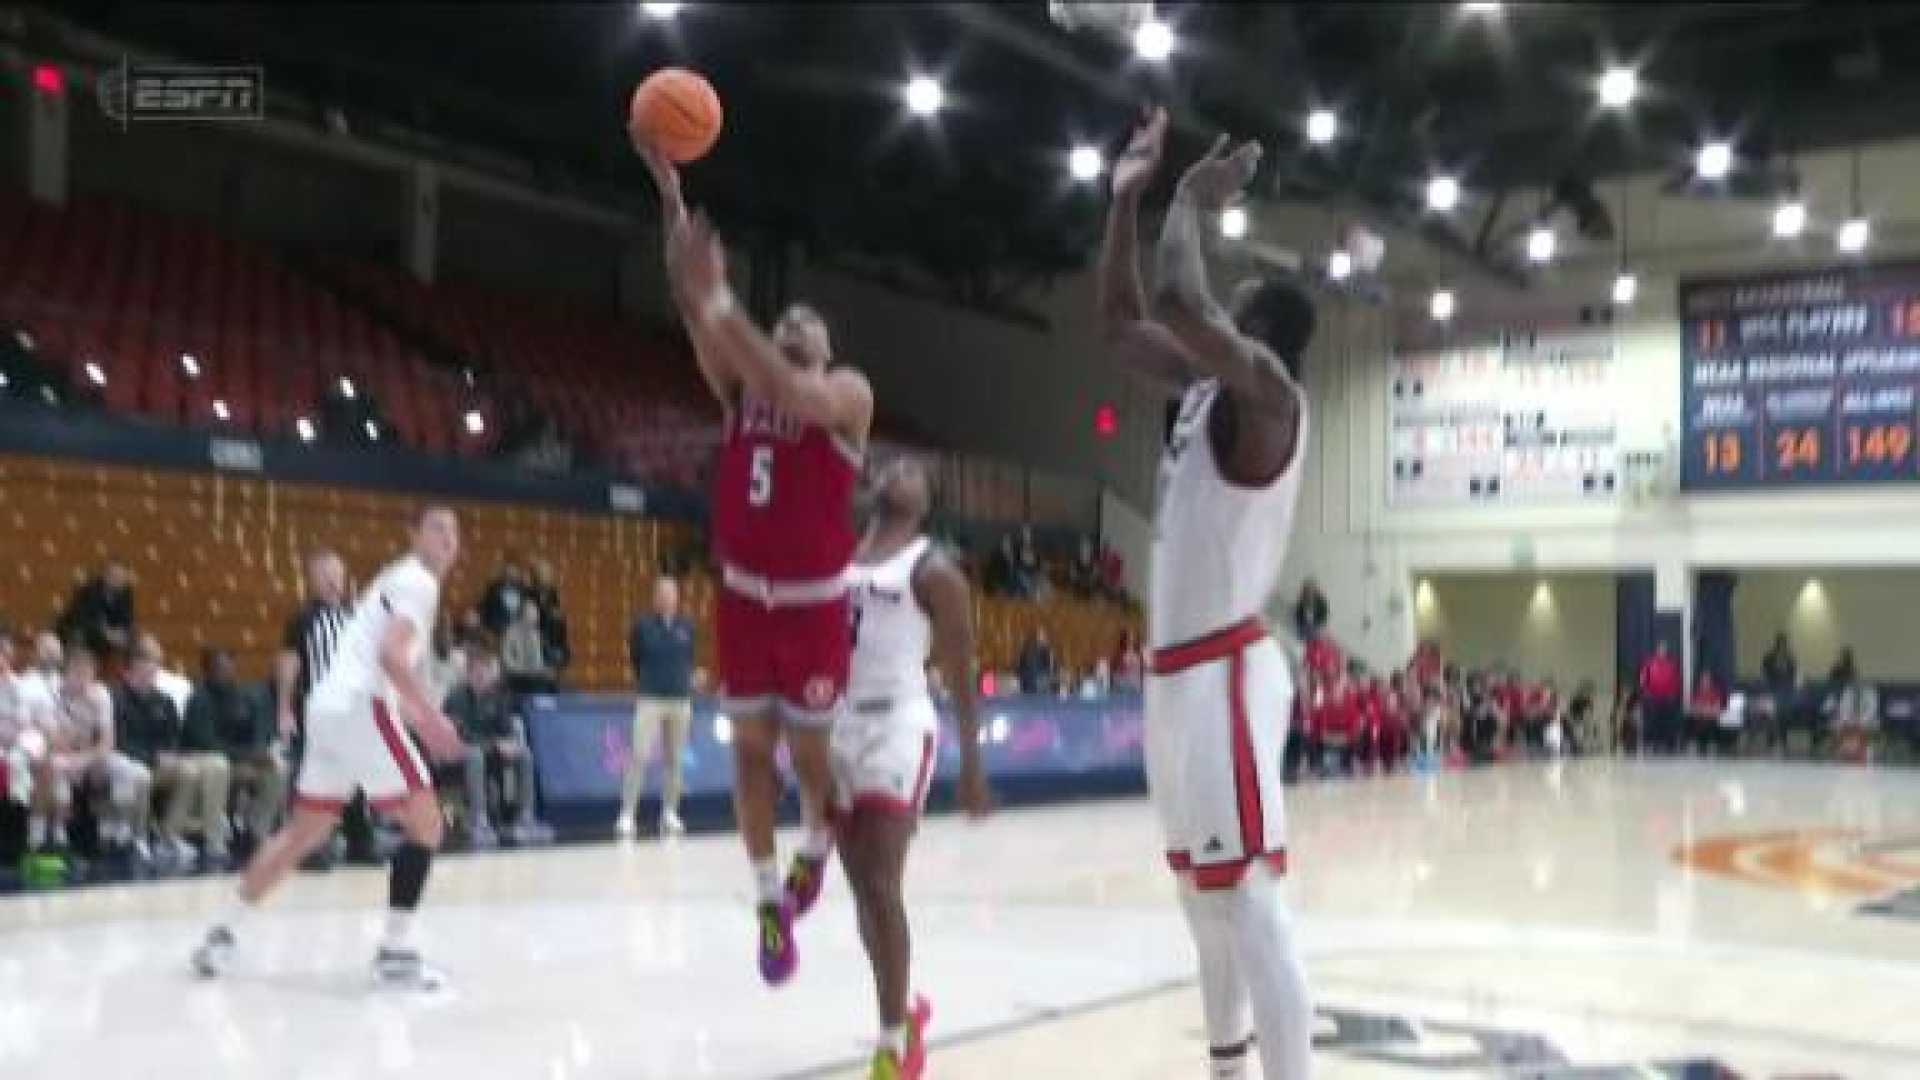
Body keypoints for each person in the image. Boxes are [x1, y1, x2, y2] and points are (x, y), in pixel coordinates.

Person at [1100, 107, 1315, 1079]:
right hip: (1173, 678)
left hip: (1227, 668)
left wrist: (1185, 199)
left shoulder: (1268, 395)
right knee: (1203, 903)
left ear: (1259, 331)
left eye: (1243, 304)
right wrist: (1126, 204)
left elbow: (1185, 305)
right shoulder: (1201, 396)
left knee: (1254, 902)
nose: (1225, 309)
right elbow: (1121, 325)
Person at [645, 141, 872, 987]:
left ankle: (818, 842)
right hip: (744, 603)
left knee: (812, 763)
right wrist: (671, 199)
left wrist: (722, 299)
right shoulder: (740, 391)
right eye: (784, 321)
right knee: (749, 759)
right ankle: (770, 904)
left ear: (825, 343)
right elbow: (697, 310)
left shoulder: (845, 394)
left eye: (805, 323)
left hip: (813, 608)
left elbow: (789, 388)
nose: (794, 323)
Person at [190, 506, 467, 991]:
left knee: (304, 833)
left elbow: (381, 656)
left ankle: (221, 933)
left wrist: (415, 713)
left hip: (327, 711)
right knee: (427, 824)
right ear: (413, 535)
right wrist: (431, 718)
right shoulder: (419, 582)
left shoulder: (391, 580)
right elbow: (390, 657)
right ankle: (396, 952)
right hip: (361, 706)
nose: (448, 540)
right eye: (437, 529)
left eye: (454, 532)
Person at [838, 458, 992, 1080]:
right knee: (861, 892)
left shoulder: (934, 571)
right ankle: (902, 1010)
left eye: (912, 469)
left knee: (880, 882)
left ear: (929, 500)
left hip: (899, 725)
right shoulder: (844, 554)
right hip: (840, 724)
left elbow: (960, 668)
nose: (894, 469)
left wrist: (973, 765)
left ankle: (895, 1042)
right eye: (890, 463)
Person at [278, 549, 373, 867]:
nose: (334, 582)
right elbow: (289, 664)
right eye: (326, 575)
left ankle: (360, 843)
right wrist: (284, 709)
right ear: (312, 580)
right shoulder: (303, 619)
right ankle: (309, 848)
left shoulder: (353, 615)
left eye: (338, 575)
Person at [36, 647, 149, 856]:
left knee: (135, 772)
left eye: (87, 674)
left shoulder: (101, 695)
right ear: (66, 673)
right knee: (57, 766)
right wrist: (75, 752)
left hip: (91, 754)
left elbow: (108, 742)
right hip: (61, 755)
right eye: (77, 673)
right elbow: (54, 741)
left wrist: (87, 758)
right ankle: (59, 834)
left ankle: (119, 830)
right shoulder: (51, 694)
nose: (82, 679)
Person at [118, 638, 212, 868]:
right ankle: (138, 837)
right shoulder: (116, 698)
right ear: (133, 668)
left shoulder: (164, 700)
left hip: (160, 763)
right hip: (131, 762)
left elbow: (172, 737)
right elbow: (119, 742)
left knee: (189, 771)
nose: (152, 671)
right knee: (141, 774)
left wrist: (171, 753)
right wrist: (151, 756)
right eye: (146, 665)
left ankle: (169, 835)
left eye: (154, 666)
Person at [441, 648, 546, 845]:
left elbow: (505, 730)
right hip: (456, 755)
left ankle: (526, 817)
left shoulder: (497, 697)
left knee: (524, 754)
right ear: (469, 674)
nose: (482, 677)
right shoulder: (455, 698)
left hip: (489, 753)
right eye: (478, 672)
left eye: (486, 672)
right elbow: (460, 736)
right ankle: (478, 821)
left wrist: (511, 743)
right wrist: (495, 744)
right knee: (474, 754)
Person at [620, 576, 698, 839]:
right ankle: (627, 814)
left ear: (677, 598)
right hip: (650, 698)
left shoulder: (687, 626)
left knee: (675, 760)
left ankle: (670, 813)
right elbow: (635, 657)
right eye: (662, 593)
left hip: (680, 699)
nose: (666, 598)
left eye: (671, 593)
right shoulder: (642, 626)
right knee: (639, 755)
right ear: (655, 597)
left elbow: (688, 658)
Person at [188, 647, 284, 853]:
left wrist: (260, 752)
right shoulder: (199, 699)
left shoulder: (238, 695)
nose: (227, 671)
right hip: (201, 760)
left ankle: (258, 832)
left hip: (234, 759)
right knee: (219, 766)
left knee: (275, 769)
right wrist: (249, 755)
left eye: (229, 667)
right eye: (221, 668)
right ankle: (213, 837)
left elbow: (246, 733)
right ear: (208, 670)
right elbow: (207, 744)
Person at [59, 561, 135, 662]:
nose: (116, 580)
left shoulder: (126, 593)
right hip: (82, 630)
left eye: (120, 577)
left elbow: (127, 619)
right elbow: (82, 619)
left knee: (132, 640)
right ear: (105, 575)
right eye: (113, 576)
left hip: (109, 634)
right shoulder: (89, 589)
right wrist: (107, 633)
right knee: (80, 638)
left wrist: (121, 632)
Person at [1638, 641, 1683, 755]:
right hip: (1653, 697)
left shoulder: (1672, 664)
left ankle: (1669, 744)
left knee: (1669, 721)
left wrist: (1673, 693)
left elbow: (1676, 681)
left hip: (1668, 698)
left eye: (1664, 649)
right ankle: (1652, 743)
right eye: (1660, 649)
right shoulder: (1649, 663)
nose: (1662, 651)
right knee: (1652, 721)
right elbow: (1643, 679)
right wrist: (1646, 692)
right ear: (1657, 650)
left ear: (1666, 651)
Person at [1016, 628, 1057, 696]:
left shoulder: (1027, 649)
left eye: (1043, 636)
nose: (1044, 638)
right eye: (1042, 636)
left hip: (1028, 681)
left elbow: (1020, 667)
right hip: (1037, 681)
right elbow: (1051, 668)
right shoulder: (1042, 650)